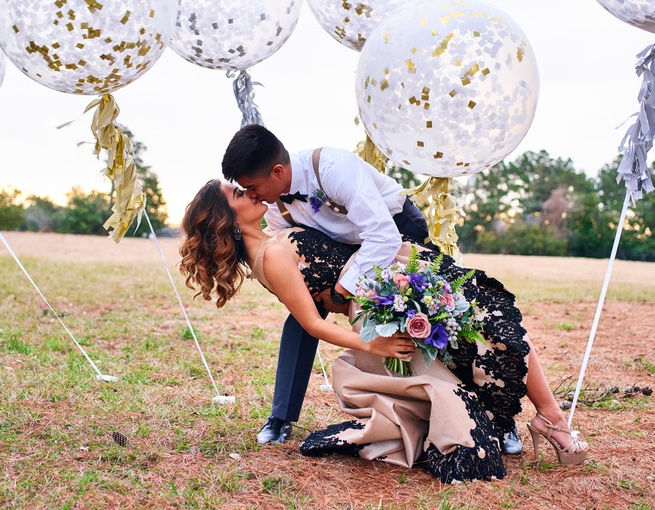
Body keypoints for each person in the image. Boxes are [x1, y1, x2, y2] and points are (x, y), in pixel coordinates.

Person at [178, 180, 589, 483]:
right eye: (237, 194)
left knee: (490, 323)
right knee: (488, 330)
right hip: (380, 298)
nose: (249, 191)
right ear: (225, 218)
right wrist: (371, 342)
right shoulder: (271, 256)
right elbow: (313, 323)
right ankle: (549, 421)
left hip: (390, 271)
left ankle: (545, 420)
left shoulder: (272, 234)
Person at [220, 125, 523, 454]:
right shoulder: (275, 202)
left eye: (252, 186)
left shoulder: (333, 169)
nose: (250, 194)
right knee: (302, 319)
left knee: (436, 317)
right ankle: (280, 418)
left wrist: (343, 287)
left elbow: (383, 236)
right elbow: (288, 246)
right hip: (339, 252)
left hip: (394, 231)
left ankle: (502, 419)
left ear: (278, 171)